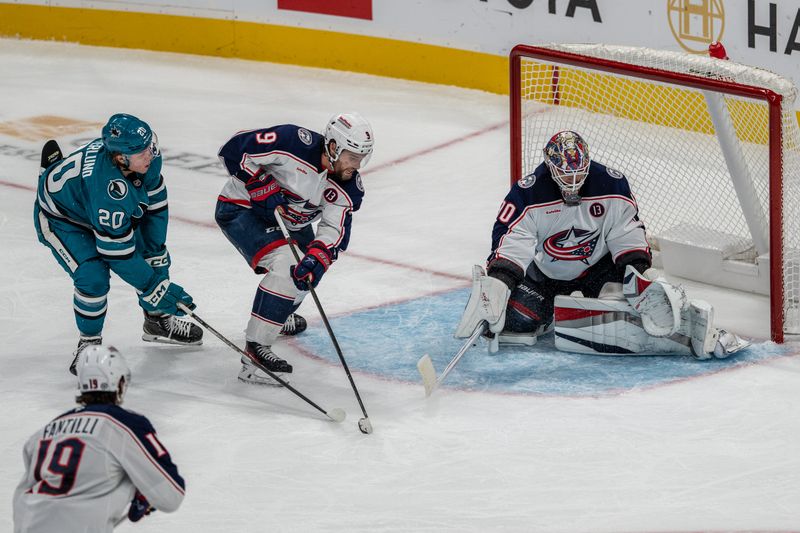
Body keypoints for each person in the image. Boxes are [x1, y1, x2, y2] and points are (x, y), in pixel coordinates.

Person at [455, 130, 748, 359]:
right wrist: (500, 281)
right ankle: (547, 312)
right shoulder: (528, 193)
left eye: (578, 173)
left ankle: (669, 317)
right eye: (565, 174)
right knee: (516, 321)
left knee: (625, 305)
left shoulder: (610, 184)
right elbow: (513, 239)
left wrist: (636, 271)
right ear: (550, 165)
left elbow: (626, 230)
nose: (572, 180)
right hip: (546, 276)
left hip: (599, 270)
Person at [34, 113, 202, 375]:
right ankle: (88, 344)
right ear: (120, 157)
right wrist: (153, 287)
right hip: (63, 219)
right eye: (141, 151)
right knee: (93, 276)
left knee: (153, 254)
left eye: (150, 145)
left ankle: (157, 322)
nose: (151, 153)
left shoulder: (145, 159)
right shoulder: (106, 192)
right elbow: (118, 255)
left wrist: (155, 252)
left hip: (90, 207)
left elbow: (156, 202)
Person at [215, 112, 374, 385]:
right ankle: (255, 352)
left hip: (290, 223)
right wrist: (258, 183)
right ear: (333, 147)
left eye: (361, 159)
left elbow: (333, 230)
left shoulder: (349, 187)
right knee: (289, 266)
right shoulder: (291, 142)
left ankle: (278, 316)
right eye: (352, 157)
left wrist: (320, 256)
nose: (355, 166)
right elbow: (233, 150)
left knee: (306, 272)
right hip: (242, 209)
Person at [13, 345, 185, 532]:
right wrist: (140, 491)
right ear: (120, 383)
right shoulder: (125, 425)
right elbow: (171, 495)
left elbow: (24, 498)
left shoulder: (43, 433)